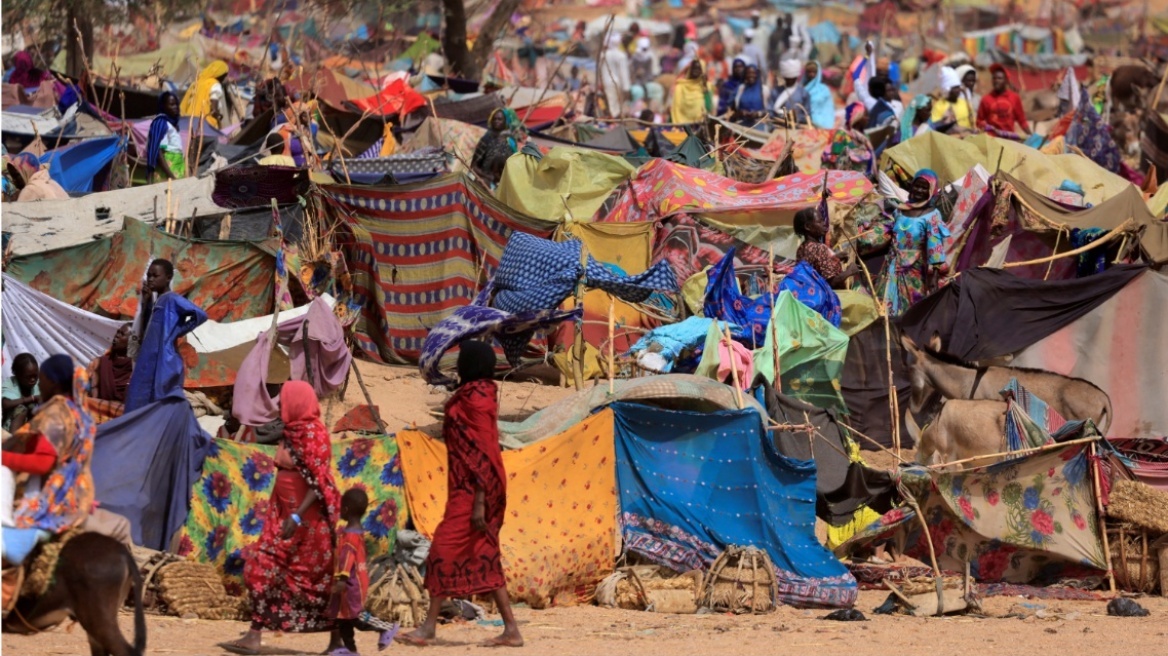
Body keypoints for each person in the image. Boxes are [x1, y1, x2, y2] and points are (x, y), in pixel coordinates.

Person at [397, 341, 523, 648]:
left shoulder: (477, 399)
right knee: (484, 551)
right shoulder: (474, 393)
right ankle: (511, 630)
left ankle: (428, 628)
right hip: (466, 486)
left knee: (441, 550)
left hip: (476, 489)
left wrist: (480, 499)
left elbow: (483, 450)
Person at [225, 381, 342, 655]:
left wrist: (298, 517)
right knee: (260, 566)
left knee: (315, 582)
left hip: (308, 524)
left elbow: (319, 481)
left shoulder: (313, 434)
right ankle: (254, 635)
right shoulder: (290, 431)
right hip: (284, 517)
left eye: (284, 400)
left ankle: (337, 640)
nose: (279, 404)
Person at [854, 170, 952, 316]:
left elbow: (935, 248)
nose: (919, 190)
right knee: (885, 305)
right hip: (892, 267)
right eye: (916, 186)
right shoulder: (900, 210)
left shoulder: (932, 215)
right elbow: (887, 232)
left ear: (931, 190)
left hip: (915, 270)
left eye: (924, 187)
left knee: (911, 308)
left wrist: (935, 277)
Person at [125, 259, 208, 412]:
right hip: (148, 358)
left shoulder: (172, 298)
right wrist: (146, 302)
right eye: (149, 276)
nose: (150, 279)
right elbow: (145, 328)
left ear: (168, 277)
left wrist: (178, 331)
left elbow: (200, 315)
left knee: (160, 402)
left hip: (163, 359)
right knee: (138, 398)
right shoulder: (157, 301)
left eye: (155, 276)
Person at [324, 488, 398, 655]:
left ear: (346, 510)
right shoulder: (356, 533)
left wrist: (341, 580)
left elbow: (347, 559)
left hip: (351, 583)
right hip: (353, 580)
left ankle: (387, 626)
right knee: (343, 619)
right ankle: (351, 650)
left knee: (356, 617)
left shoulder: (350, 536)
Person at [779, 209, 851, 327]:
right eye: (820, 221)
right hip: (828, 302)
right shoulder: (819, 248)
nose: (824, 223)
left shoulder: (802, 248)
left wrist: (835, 257)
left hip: (811, 300)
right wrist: (849, 271)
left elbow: (814, 268)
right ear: (808, 226)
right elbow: (830, 282)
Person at [86, 324, 134, 423]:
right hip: (96, 423)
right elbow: (83, 393)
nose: (117, 336)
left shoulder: (136, 371)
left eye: (122, 334)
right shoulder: (98, 364)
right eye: (117, 332)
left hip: (123, 426)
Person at [471, 108, 523, 188]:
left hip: (503, 182)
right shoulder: (486, 139)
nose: (496, 121)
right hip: (484, 180)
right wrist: (488, 177)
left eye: (500, 119)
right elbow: (474, 166)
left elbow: (513, 164)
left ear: (505, 121)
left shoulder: (511, 140)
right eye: (494, 119)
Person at [977, 63, 1030, 138]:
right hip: (992, 140)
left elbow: (1022, 121)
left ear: (1006, 81)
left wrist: (1031, 135)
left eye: (999, 78)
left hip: (1010, 139)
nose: (996, 81)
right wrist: (986, 127)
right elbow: (979, 121)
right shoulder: (985, 99)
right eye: (994, 78)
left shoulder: (1014, 98)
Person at [821, 103, 874, 176]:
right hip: (843, 177)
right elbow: (835, 158)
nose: (868, 118)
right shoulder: (841, 134)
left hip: (862, 176)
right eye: (865, 115)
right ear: (857, 116)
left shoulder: (865, 137)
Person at [144, 91, 186, 181]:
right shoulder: (161, 124)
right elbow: (159, 153)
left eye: (176, 104)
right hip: (169, 170)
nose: (175, 107)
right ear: (163, 106)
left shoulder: (173, 125)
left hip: (177, 167)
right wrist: (171, 176)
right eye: (171, 104)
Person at [180, 60, 229, 128]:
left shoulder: (197, 83)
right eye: (224, 75)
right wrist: (218, 115)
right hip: (204, 124)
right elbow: (213, 110)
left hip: (189, 122)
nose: (224, 78)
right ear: (220, 74)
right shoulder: (214, 84)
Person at [3, 354, 39, 432]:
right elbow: (6, 404)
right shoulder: (11, 383)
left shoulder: (39, 384)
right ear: (18, 375)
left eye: (35, 376)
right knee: (21, 409)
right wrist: (32, 398)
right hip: (10, 426)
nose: (33, 380)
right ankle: (13, 441)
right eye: (28, 377)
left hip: (31, 426)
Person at [931, 67, 975, 131]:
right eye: (955, 88)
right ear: (948, 90)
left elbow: (972, 121)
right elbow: (934, 127)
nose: (958, 90)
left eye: (958, 87)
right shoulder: (939, 106)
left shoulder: (964, 103)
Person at [670, 59, 713, 125]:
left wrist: (706, 91)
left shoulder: (706, 86)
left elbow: (709, 108)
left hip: (699, 125)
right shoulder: (681, 86)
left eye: (699, 69)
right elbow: (674, 109)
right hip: (680, 125)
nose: (696, 71)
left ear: (703, 71)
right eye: (694, 68)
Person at [770, 59, 810, 125]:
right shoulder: (776, 92)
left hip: (797, 128)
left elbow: (807, 114)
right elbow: (770, 111)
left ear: (796, 77)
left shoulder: (803, 93)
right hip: (777, 127)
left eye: (793, 78)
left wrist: (796, 117)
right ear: (784, 77)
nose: (790, 81)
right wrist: (781, 116)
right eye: (788, 78)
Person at [600, 33, 631, 118]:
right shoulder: (621, 55)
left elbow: (600, 71)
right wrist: (626, 88)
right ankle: (615, 122)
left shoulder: (603, 55)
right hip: (618, 83)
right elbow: (624, 72)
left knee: (611, 104)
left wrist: (600, 83)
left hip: (606, 82)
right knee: (617, 105)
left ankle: (613, 121)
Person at [729, 64, 769, 129]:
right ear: (745, 75)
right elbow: (733, 109)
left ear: (757, 75)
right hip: (742, 126)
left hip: (759, 127)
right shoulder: (741, 89)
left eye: (753, 73)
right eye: (748, 73)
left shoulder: (764, 90)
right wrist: (741, 113)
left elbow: (769, 111)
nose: (751, 75)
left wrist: (758, 114)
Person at [802, 61, 836, 129]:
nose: (811, 75)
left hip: (824, 123)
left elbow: (828, 109)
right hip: (806, 123)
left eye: (814, 72)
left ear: (818, 73)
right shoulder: (802, 89)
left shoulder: (824, 90)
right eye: (809, 72)